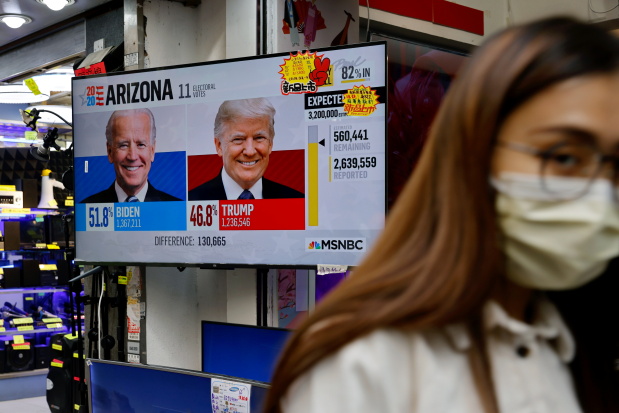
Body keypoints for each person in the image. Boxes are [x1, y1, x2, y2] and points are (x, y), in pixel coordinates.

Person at [263, 17, 619, 413]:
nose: (599, 192)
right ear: (473, 152)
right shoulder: (365, 361)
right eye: (564, 156)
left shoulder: (566, 341)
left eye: (615, 167)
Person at [188, 98, 304, 200]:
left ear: (270, 144)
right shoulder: (189, 202)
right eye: (238, 139)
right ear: (219, 146)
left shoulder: (298, 201)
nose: (250, 151)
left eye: (259, 138)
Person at [81, 108, 180, 203]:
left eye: (141, 145)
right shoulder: (86, 206)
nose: (132, 157)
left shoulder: (177, 208)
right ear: (110, 151)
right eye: (123, 145)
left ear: (152, 151)